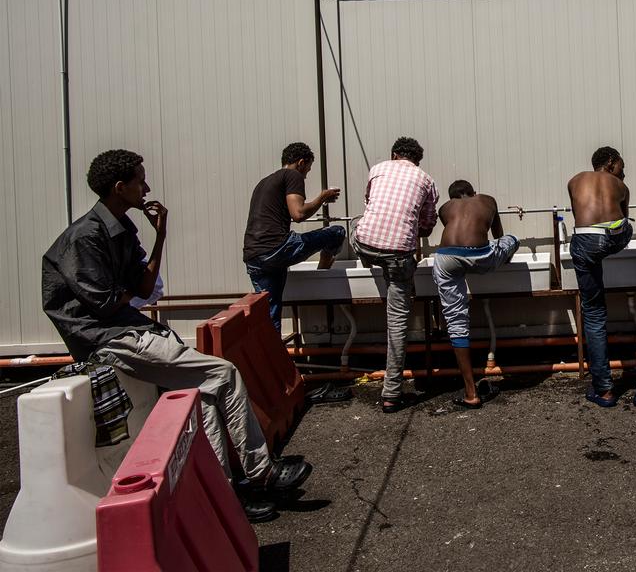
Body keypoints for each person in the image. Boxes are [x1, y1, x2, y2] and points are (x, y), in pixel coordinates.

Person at [43, 150, 310, 523]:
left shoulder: (122, 230)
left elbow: (144, 285)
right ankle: (262, 472)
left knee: (200, 395)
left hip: (127, 326)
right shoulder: (86, 237)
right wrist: (128, 290)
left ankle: (224, 493)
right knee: (223, 373)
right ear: (120, 188)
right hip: (108, 338)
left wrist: (161, 235)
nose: (147, 187)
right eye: (140, 180)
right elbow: (106, 303)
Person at [351, 137, 438, 413]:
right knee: (397, 322)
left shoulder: (377, 168)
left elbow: (370, 203)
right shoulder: (426, 181)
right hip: (399, 254)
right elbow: (426, 225)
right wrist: (414, 231)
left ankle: (367, 260)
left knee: (357, 227)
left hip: (365, 243)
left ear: (394, 154)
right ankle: (391, 396)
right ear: (417, 160)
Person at [433, 180, 519, 408]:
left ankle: (471, 393)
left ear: (452, 198)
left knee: (456, 321)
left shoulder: (445, 208)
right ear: (472, 192)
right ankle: (505, 258)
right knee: (512, 240)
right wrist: (503, 258)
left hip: (445, 257)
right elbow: (497, 234)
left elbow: (455, 231)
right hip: (481, 255)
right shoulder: (487, 200)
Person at [243, 142, 344, 331]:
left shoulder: (263, 182)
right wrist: (322, 197)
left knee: (270, 317)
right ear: (301, 162)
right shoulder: (292, 175)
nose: (306, 174)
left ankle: (272, 359)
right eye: (308, 169)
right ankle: (323, 272)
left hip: (254, 257)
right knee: (337, 232)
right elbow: (298, 214)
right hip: (277, 248)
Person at [567, 147, 633, 406]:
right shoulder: (621, 186)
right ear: (611, 162)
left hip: (586, 241)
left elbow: (581, 217)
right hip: (614, 237)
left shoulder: (574, 181)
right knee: (626, 227)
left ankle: (604, 390)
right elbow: (624, 217)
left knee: (594, 315)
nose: (623, 173)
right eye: (621, 167)